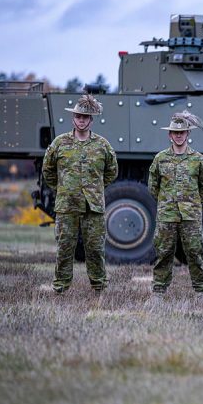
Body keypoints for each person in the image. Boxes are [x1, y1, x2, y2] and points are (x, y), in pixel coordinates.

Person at [42, 94, 118, 294]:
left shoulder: (102, 145)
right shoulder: (60, 143)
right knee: (65, 248)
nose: (81, 120)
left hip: (93, 207)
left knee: (95, 248)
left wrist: (95, 188)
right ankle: (60, 288)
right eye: (78, 117)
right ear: (73, 119)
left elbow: (112, 171)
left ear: (91, 120)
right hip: (67, 205)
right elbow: (48, 170)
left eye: (85, 117)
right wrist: (62, 189)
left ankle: (99, 288)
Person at [148, 110, 203, 303]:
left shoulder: (198, 160)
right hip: (166, 215)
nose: (178, 135)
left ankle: (202, 292)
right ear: (169, 135)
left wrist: (192, 204)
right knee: (163, 252)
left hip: (190, 215)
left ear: (188, 134)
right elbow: (153, 187)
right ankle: (158, 292)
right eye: (175, 132)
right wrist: (166, 203)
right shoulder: (160, 159)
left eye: (182, 132)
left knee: (194, 252)